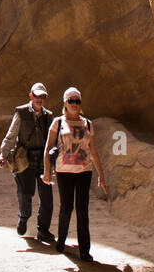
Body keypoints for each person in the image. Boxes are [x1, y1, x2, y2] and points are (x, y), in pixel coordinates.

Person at [41, 86, 107, 262]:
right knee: (66, 208)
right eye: (71, 100)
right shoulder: (58, 122)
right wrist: (47, 171)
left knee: (82, 210)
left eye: (77, 101)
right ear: (65, 103)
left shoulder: (88, 124)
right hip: (64, 171)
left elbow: (93, 151)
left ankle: (84, 250)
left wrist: (101, 175)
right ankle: (61, 241)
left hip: (84, 171)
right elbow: (48, 149)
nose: (75, 104)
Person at [0, 81, 56, 242]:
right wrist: (3, 154)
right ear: (31, 96)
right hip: (24, 159)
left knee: (47, 198)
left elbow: (53, 141)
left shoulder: (48, 116)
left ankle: (43, 229)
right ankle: (23, 218)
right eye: (37, 96)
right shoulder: (21, 113)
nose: (40, 99)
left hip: (43, 160)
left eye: (43, 96)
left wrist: (54, 162)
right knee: (25, 193)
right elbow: (11, 135)